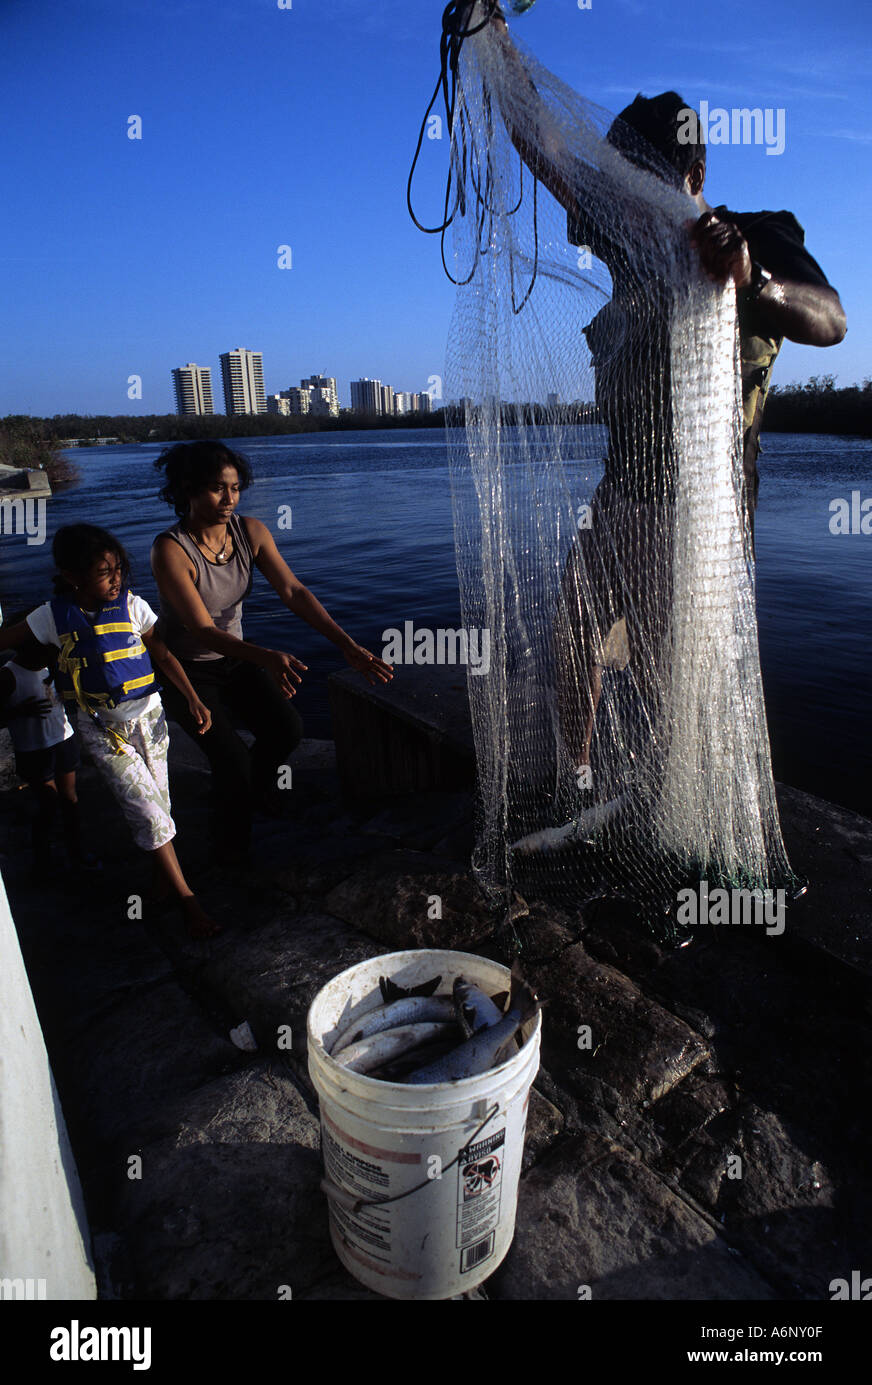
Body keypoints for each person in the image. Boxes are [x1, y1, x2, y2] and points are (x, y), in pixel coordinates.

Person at [458, 2, 846, 793]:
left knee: (677, 677)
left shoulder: (755, 231)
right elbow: (549, 145)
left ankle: (680, 812)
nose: (623, 191)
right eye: (620, 176)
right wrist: (490, 39)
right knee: (574, 637)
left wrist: (749, 279)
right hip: (619, 491)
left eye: (640, 174)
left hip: (700, 508)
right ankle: (582, 780)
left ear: (693, 177)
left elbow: (831, 320)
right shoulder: (629, 236)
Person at [150, 440, 393, 863]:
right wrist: (266, 656)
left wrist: (346, 644)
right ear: (187, 488)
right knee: (231, 762)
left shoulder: (250, 532)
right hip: (185, 670)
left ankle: (254, 791)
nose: (229, 499)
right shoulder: (171, 549)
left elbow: (294, 591)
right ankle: (230, 853)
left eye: (235, 487)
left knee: (285, 730)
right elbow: (203, 630)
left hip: (237, 657)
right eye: (217, 488)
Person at [0, 524, 221, 938]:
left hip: (150, 720)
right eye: (105, 572)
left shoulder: (134, 606)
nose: (117, 579)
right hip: (102, 730)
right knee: (147, 811)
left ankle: (160, 882)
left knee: (161, 806)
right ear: (72, 577)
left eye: (119, 568)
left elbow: (160, 649)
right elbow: (5, 639)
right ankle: (188, 900)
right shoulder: (51, 617)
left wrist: (192, 697)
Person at [0, 622, 95, 878]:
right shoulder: (9, 675)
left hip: (62, 739)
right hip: (33, 749)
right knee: (48, 805)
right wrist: (18, 712)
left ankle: (76, 851)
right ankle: (43, 859)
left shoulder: (50, 666)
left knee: (70, 799)